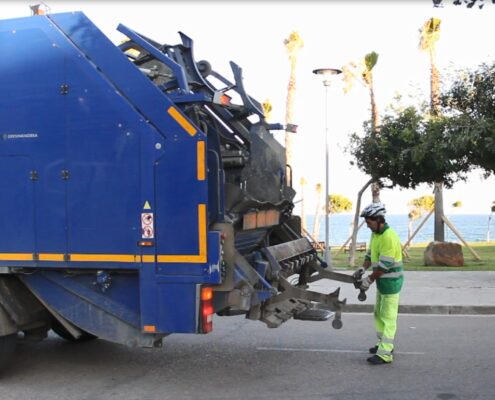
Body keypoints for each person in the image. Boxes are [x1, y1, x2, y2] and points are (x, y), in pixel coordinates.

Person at [353, 202, 404, 365]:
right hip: (382, 282)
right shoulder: (376, 234)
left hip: (391, 283)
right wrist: (362, 268)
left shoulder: (389, 237)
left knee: (388, 317)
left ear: (378, 220)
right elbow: (370, 255)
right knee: (378, 313)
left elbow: (384, 265)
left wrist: (368, 280)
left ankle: (385, 354)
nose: (367, 226)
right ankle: (383, 344)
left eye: (369, 222)